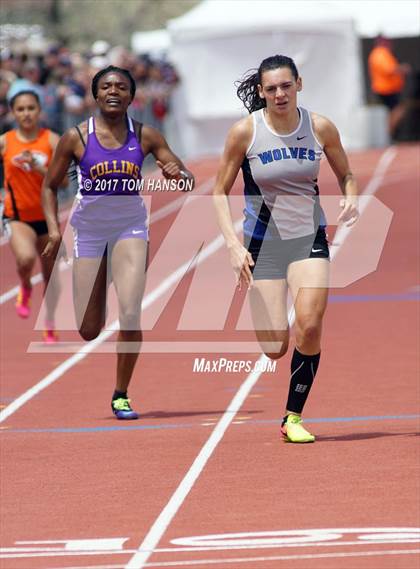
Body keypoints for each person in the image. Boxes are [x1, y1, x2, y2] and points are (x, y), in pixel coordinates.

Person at [213, 55, 359, 443]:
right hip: (263, 242)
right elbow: (218, 192)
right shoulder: (245, 133)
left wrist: (351, 197)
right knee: (275, 346)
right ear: (261, 92)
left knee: (310, 325)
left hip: (308, 236)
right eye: (272, 88)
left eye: (286, 86)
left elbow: (345, 172)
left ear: (299, 84)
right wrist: (231, 244)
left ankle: (292, 417)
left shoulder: (320, 127)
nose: (280, 94)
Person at [42, 65, 194, 420]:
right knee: (88, 329)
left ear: (130, 95)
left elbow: (186, 181)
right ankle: (99, 286)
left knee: (130, 312)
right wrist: (53, 230)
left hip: (130, 230)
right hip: (91, 233)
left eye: (121, 87)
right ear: (96, 95)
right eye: (106, 86)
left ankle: (121, 394)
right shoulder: (76, 138)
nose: (113, 91)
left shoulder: (146, 136)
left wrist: (178, 174)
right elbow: (50, 186)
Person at [0, 90, 62, 342]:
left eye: (30, 108)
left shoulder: (52, 141)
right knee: (25, 258)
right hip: (17, 216)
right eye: (21, 109)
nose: (26, 113)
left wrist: (38, 167)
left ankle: (49, 320)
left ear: (39, 110)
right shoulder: (5, 142)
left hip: (47, 219)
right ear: (13, 112)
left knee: (50, 276)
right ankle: (25, 285)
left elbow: (64, 184)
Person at [368, 35, 411, 137]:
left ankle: (391, 132)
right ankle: (390, 133)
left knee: (396, 110)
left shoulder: (381, 53)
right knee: (397, 110)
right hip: (386, 89)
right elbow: (389, 69)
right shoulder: (380, 53)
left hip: (389, 88)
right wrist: (402, 68)